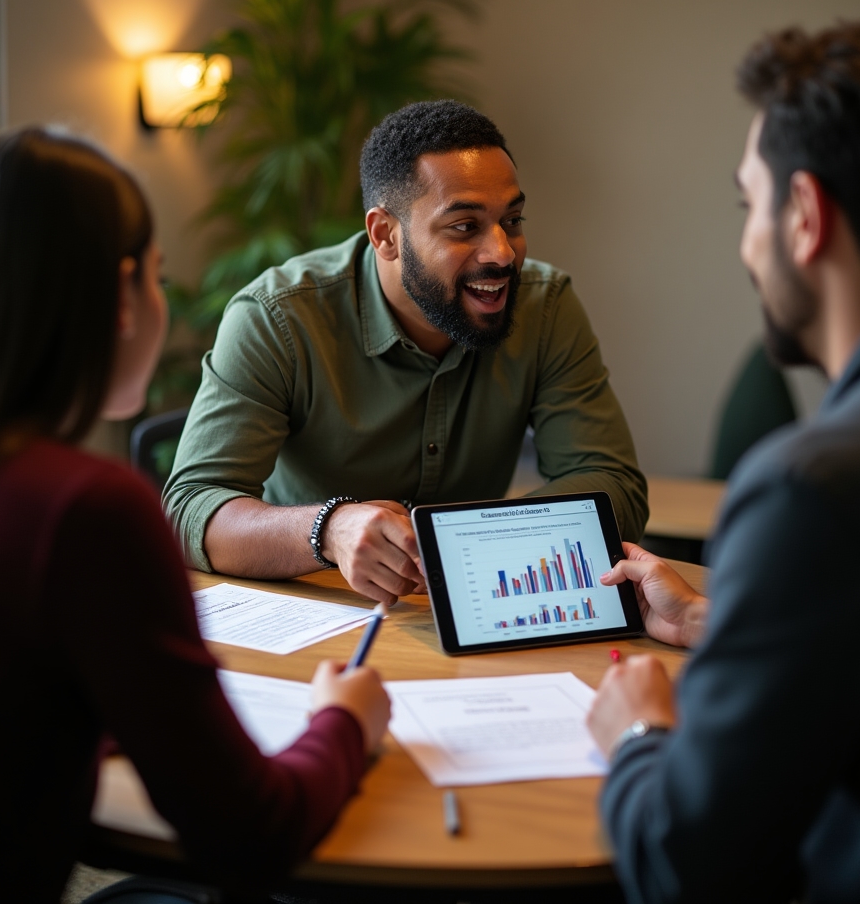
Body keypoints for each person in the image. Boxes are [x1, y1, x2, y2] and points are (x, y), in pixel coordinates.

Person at [0, 129, 391, 904]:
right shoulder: (85, 511)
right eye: (162, 278)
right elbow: (251, 833)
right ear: (122, 291)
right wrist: (345, 722)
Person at [586, 22, 860, 903]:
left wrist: (637, 736)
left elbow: (687, 866)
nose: (748, 242)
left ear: (807, 218)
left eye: (750, 206)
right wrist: (720, 622)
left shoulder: (812, 489)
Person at [164, 99, 648, 604]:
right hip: (326, 606)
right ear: (385, 235)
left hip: (480, 606)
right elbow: (191, 509)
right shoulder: (278, 317)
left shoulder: (546, 307)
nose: (502, 252)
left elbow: (612, 482)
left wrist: (471, 540)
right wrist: (331, 530)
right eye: (465, 226)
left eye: (513, 220)